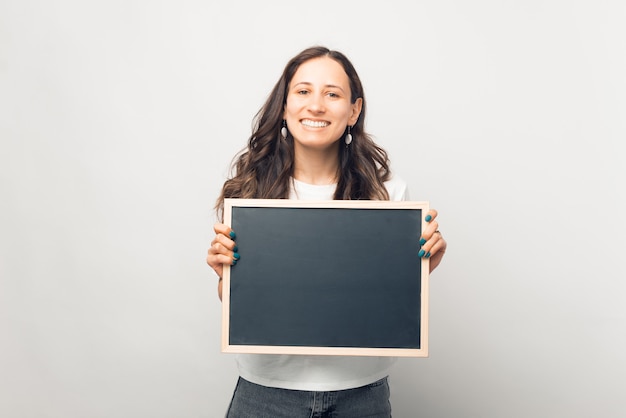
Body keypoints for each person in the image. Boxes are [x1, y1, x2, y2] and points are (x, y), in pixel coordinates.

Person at [207, 46, 447, 418]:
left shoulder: (389, 192)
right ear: (284, 106)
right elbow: (241, 305)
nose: (316, 106)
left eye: (332, 94)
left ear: (353, 110)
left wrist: (420, 268)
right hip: (266, 393)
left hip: (360, 395)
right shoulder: (248, 192)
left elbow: (386, 297)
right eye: (303, 91)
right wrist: (224, 274)